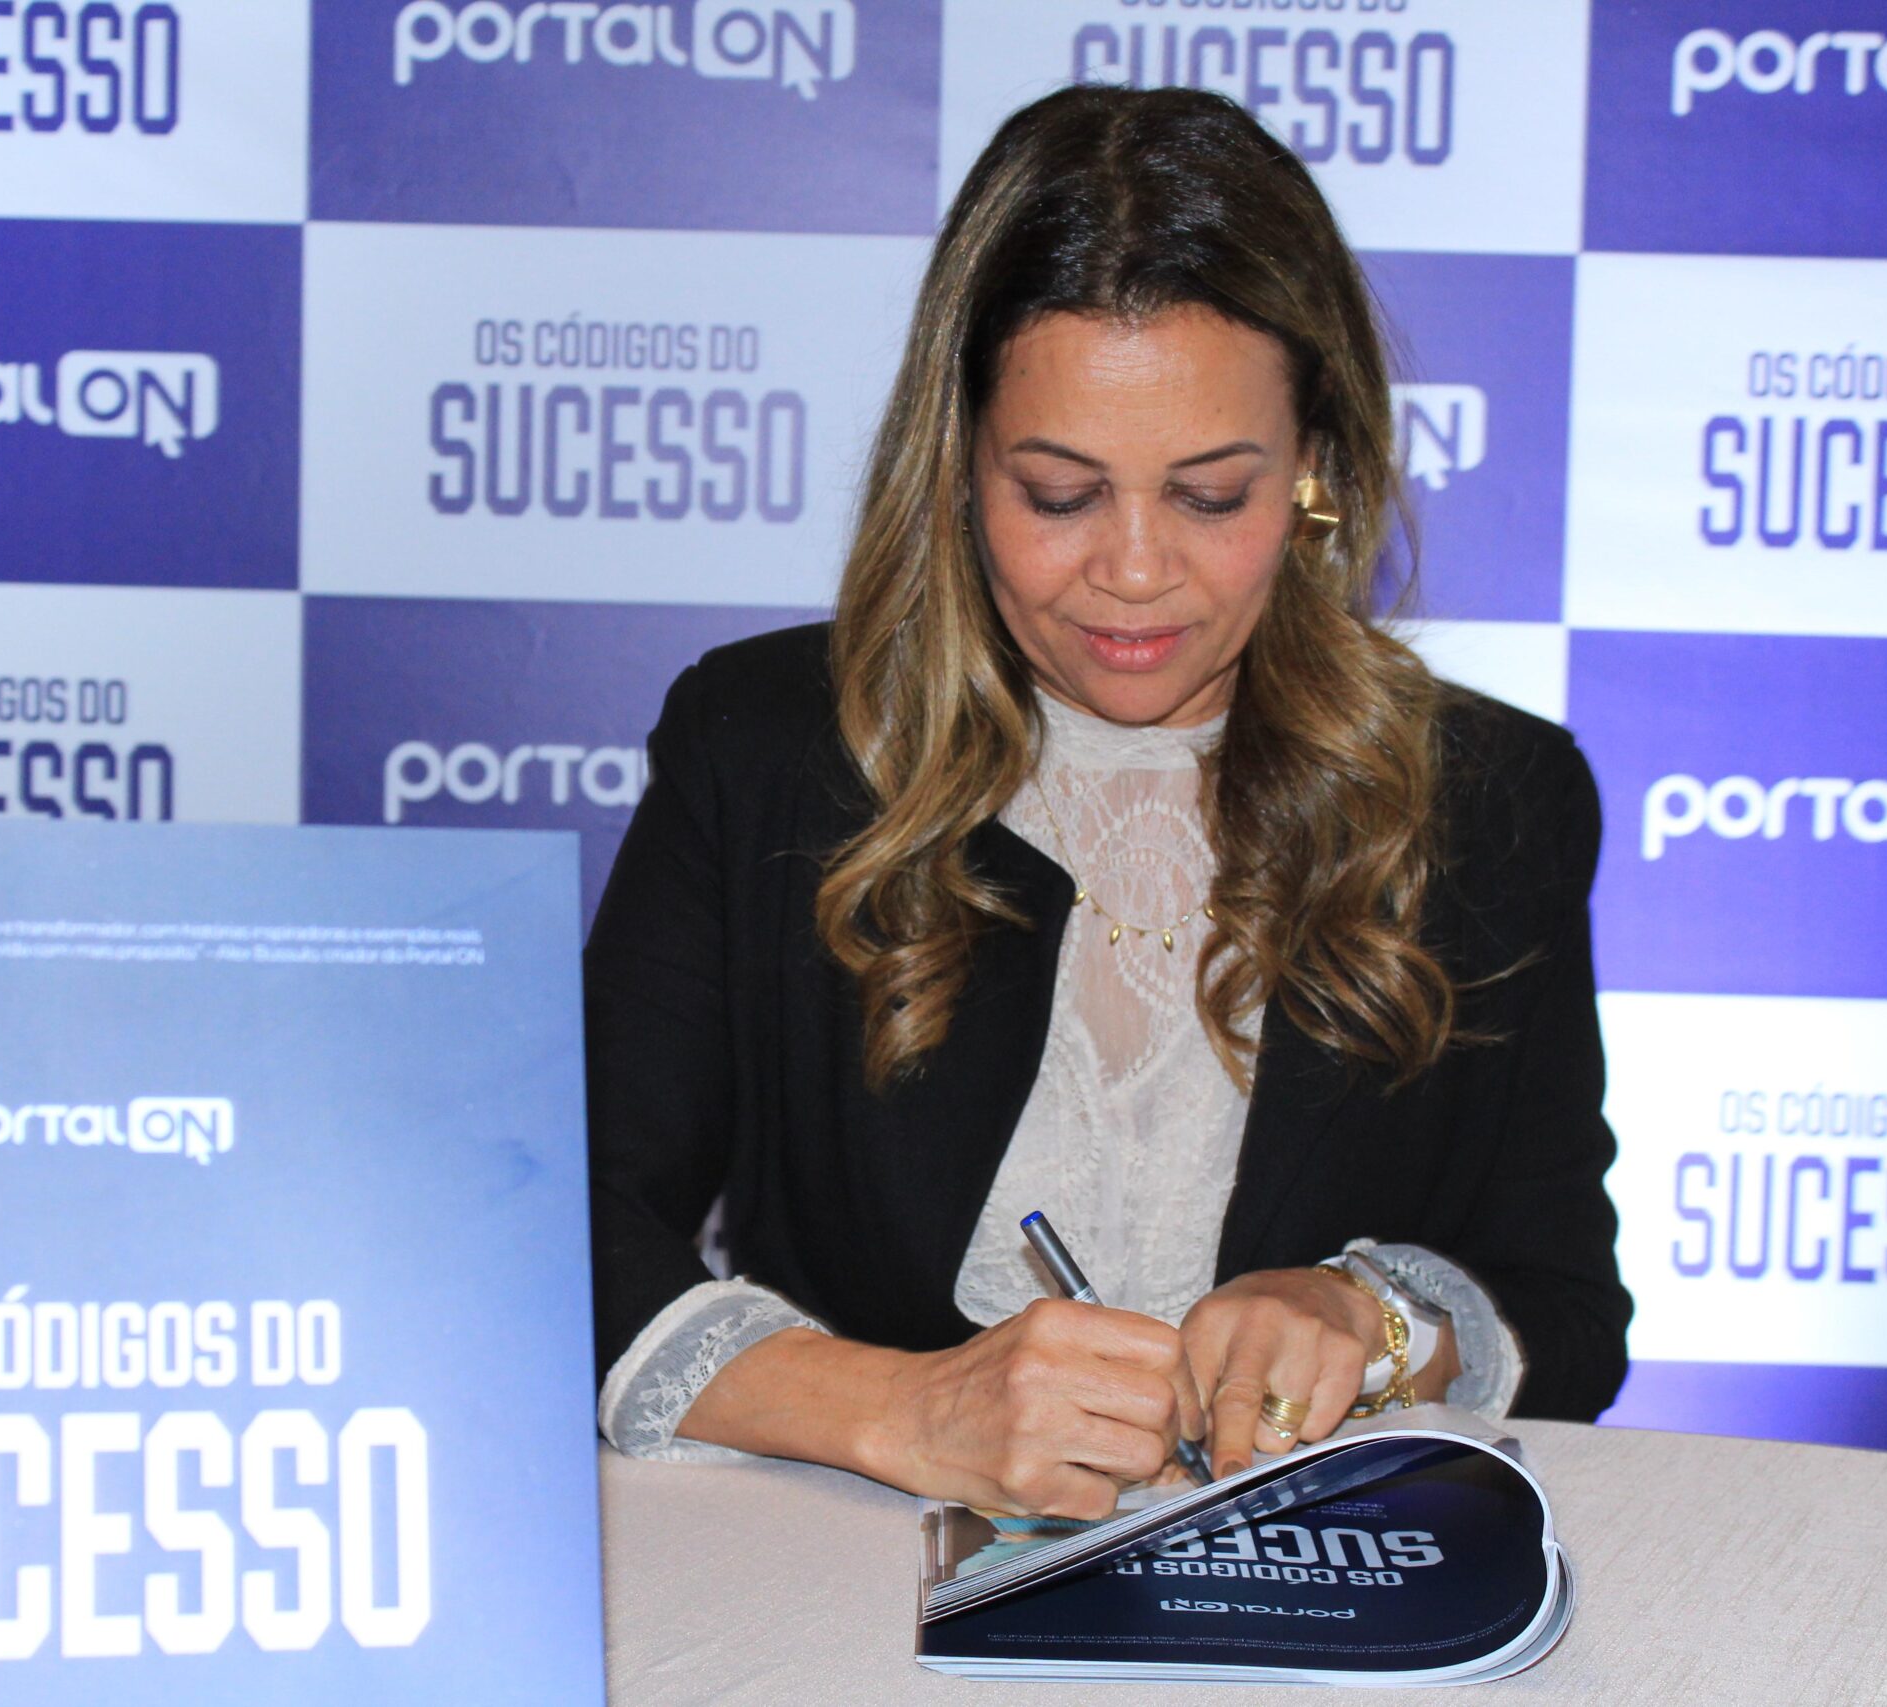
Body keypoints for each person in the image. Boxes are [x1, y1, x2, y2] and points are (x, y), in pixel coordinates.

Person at [586, 84, 1629, 1521]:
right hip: (839, 1575)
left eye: (1210, 497)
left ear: (1315, 469)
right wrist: (898, 1409)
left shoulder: (1490, 798)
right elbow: (562, 1225)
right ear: (958, 466)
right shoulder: (766, 745)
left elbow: (1569, 1312)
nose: (1135, 574)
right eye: (1061, 494)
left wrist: (1372, 1319)